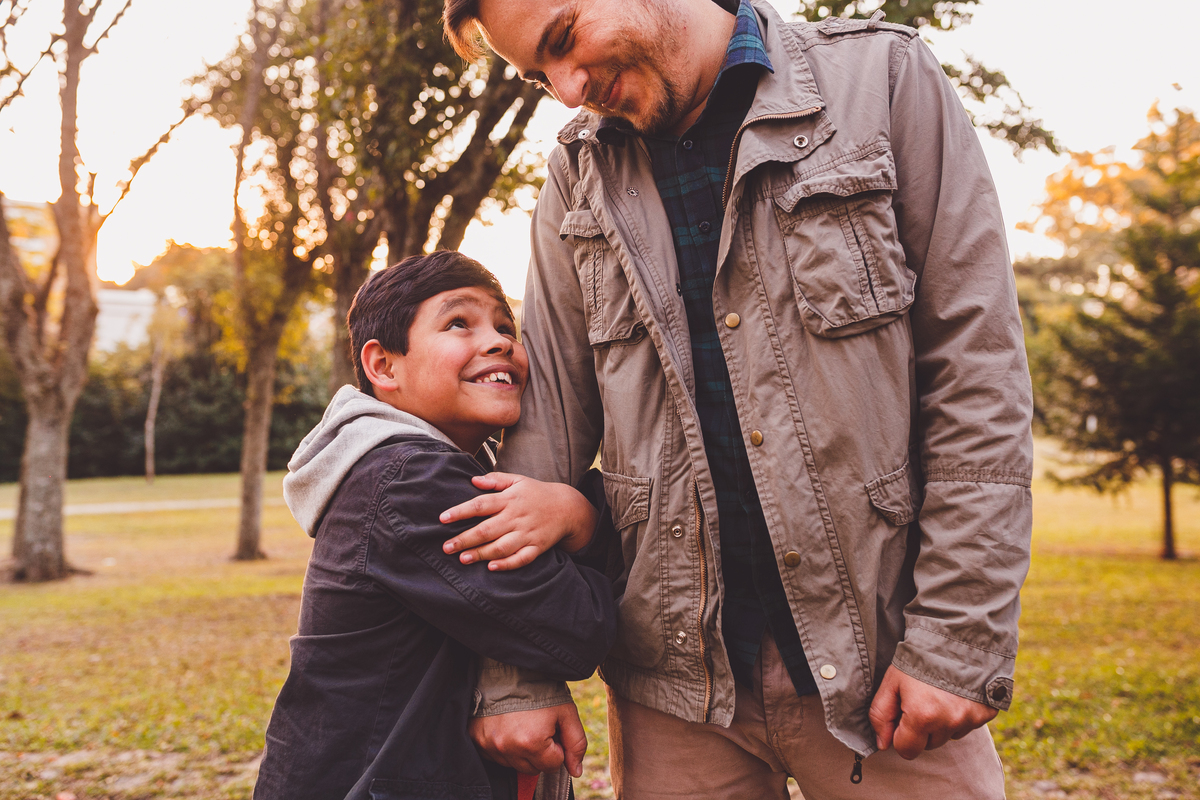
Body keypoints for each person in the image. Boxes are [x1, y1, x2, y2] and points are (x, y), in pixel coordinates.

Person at [438, 0, 1034, 797]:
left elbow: (978, 373)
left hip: (885, 673)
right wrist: (517, 677)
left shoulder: (882, 79)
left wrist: (956, 643)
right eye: (538, 74)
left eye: (563, 42)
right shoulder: (575, 173)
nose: (569, 89)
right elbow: (539, 435)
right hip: (672, 697)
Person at [252, 251, 617, 800]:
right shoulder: (407, 479)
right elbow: (574, 627)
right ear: (384, 367)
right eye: (458, 323)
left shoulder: (419, 469)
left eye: (504, 325)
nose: (498, 342)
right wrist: (581, 516)